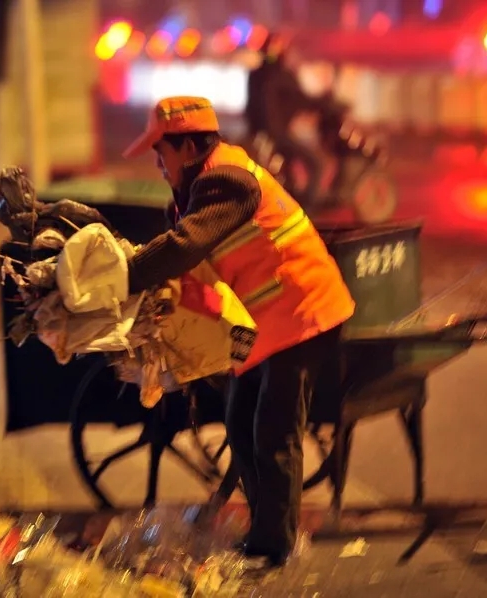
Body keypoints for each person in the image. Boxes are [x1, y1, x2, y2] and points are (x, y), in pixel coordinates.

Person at [122, 96, 355, 567]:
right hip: (268, 322)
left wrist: (121, 275)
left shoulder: (227, 181)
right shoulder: (195, 190)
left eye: (160, 151)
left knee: (272, 430)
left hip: (305, 311)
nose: (157, 163)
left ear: (187, 148)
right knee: (240, 422)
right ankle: (264, 532)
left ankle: (275, 544)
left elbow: (186, 246)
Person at [245, 31, 330, 199]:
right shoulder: (281, 76)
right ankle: (309, 210)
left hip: (259, 135)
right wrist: (325, 101)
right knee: (317, 164)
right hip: (278, 135)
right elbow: (303, 100)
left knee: (289, 175)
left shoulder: (255, 75)